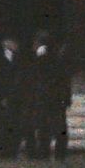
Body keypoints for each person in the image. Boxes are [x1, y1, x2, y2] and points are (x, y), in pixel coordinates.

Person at [22, 29, 71, 160]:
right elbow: (64, 79)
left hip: (44, 97)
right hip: (55, 97)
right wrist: (66, 98)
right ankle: (59, 155)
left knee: (44, 127)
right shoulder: (57, 57)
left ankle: (43, 154)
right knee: (58, 127)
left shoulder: (41, 57)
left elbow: (35, 77)